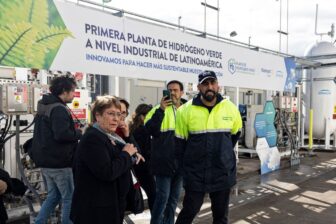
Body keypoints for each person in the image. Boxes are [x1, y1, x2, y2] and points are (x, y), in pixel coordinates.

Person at [174, 71, 242, 224]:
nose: (209, 87)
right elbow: (179, 144)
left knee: (221, 216)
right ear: (199, 87)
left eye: (212, 83)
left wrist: (223, 155)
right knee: (189, 212)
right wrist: (186, 169)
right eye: (205, 84)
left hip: (222, 172)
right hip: (196, 173)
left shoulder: (230, 108)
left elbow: (234, 135)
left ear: (218, 86)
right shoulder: (185, 110)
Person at [70, 96, 143, 224]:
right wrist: (126, 154)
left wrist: (130, 153)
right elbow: (107, 171)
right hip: (96, 212)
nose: (116, 118)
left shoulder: (110, 136)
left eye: (119, 114)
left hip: (109, 206)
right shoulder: (93, 138)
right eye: (111, 114)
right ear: (97, 116)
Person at [31, 76, 82, 224]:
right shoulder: (59, 109)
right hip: (60, 162)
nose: (74, 95)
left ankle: (39, 222)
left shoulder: (45, 104)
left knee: (53, 196)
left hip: (46, 161)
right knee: (69, 198)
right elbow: (61, 135)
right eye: (73, 91)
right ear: (65, 91)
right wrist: (80, 133)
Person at [145, 80, 186, 224]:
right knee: (162, 198)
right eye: (170, 90)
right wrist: (161, 110)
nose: (172, 93)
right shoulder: (157, 109)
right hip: (163, 163)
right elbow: (150, 129)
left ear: (182, 92)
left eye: (175, 90)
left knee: (174, 199)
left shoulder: (188, 110)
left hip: (180, 163)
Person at [129, 103, 156, 213]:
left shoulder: (133, 128)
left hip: (138, 167)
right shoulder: (142, 130)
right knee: (153, 194)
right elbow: (145, 151)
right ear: (142, 116)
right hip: (144, 168)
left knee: (152, 193)